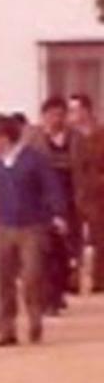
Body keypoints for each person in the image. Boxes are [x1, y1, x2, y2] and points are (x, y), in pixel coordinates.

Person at [0, 114, 67, 346]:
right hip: (2, 227)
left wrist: (58, 213)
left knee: (32, 277)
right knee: (3, 279)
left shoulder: (35, 160)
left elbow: (52, 188)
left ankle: (34, 321)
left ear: (4, 137)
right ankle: (7, 329)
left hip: (33, 226)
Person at [32, 96, 86, 310]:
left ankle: (59, 290)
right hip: (42, 203)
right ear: (44, 116)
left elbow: (83, 170)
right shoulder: (34, 139)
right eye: (52, 115)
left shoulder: (76, 139)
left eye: (61, 115)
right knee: (45, 249)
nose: (57, 120)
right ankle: (47, 296)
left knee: (66, 250)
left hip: (70, 201)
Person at [69, 93, 104, 293]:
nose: (72, 115)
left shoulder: (100, 134)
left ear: (86, 110)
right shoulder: (71, 137)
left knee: (99, 238)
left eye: (75, 110)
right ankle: (73, 280)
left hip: (98, 195)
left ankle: (99, 279)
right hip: (74, 193)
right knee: (74, 240)